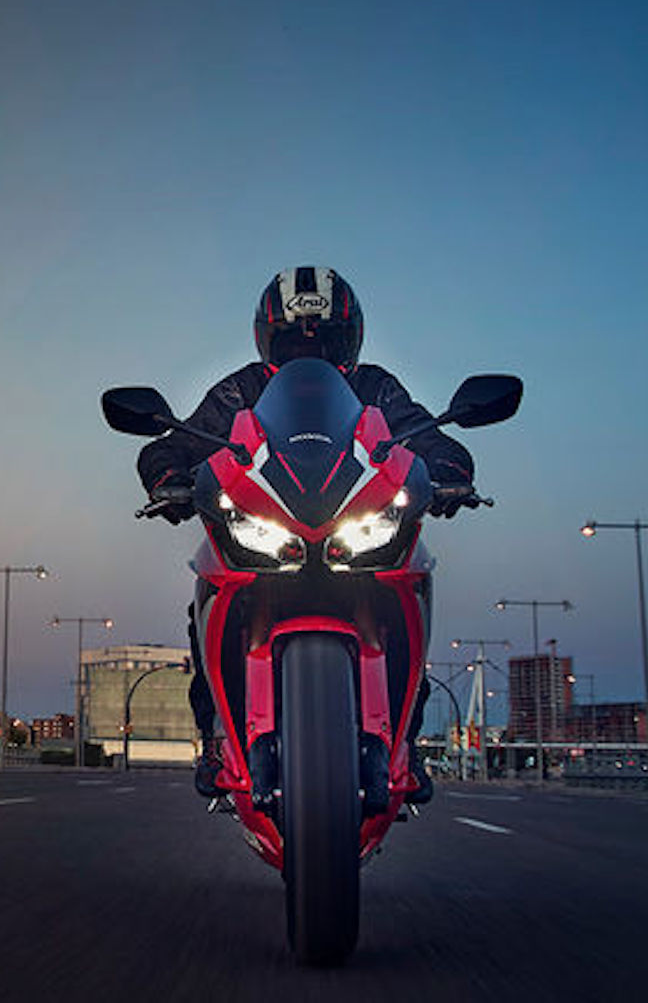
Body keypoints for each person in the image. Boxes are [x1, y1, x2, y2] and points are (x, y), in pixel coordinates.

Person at [135, 266, 477, 805]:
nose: (307, 351)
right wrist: (167, 476)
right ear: (269, 338)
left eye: (325, 338)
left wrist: (452, 467)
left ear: (351, 338)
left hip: (356, 531)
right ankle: (215, 739)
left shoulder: (376, 387)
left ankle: (404, 741)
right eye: (294, 338)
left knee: (411, 575)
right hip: (269, 530)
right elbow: (175, 443)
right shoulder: (240, 391)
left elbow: (424, 433)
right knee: (208, 585)